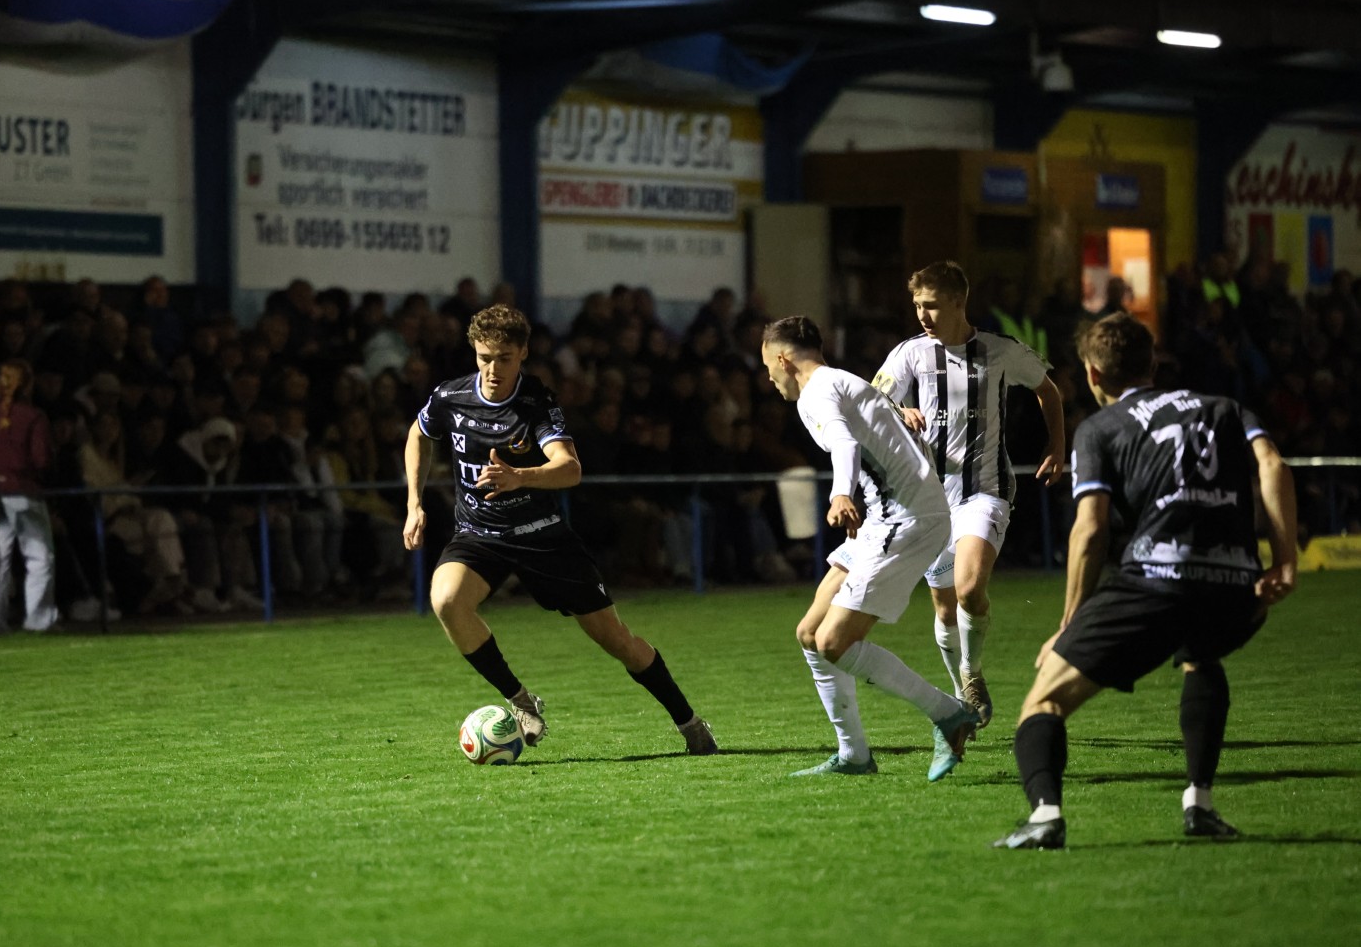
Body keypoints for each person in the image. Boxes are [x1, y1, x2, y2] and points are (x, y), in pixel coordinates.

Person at [994, 314, 1298, 849]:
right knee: (1202, 655)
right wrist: (1285, 560)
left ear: (1092, 374)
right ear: (1152, 363)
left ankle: (1045, 817)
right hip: (1235, 589)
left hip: (1155, 582)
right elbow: (1272, 464)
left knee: (1043, 703)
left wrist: (1069, 623)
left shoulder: (1100, 428)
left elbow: (1090, 531)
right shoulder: (1224, 407)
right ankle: (1200, 805)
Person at [402, 304, 716, 755]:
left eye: (504, 358)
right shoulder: (451, 396)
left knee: (617, 641)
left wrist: (520, 476)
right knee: (447, 601)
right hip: (479, 534)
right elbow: (418, 433)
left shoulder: (537, 402)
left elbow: (570, 468)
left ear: (523, 353)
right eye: (485, 357)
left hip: (542, 537)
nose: (493, 369)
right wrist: (414, 503)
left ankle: (689, 722)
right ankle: (520, 701)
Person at [760, 315, 980, 779]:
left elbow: (844, 444)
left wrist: (841, 494)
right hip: (887, 516)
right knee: (811, 633)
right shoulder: (844, 381)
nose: (770, 379)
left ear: (782, 358)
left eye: (767, 368)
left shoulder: (817, 392)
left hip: (906, 519)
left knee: (834, 642)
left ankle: (949, 712)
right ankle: (854, 755)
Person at [868, 260, 1066, 745]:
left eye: (931, 305)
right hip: (928, 499)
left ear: (959, 302)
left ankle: (971, 673)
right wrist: (900, 409)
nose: (922, 315)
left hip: (985, 489)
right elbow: (872, 402)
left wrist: (1057, 445)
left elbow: (1048, 389)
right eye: (917, 305)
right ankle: (962, 694)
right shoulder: (911, 354)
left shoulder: (999, 351)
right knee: (943, 609)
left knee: (969, 587)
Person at [0, 360, 58, 633]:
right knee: (39, 556)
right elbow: (41, 459)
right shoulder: (33, 417)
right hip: (24, 492)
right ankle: (38, 620)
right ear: (28, 385)